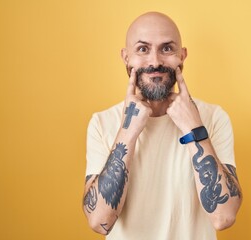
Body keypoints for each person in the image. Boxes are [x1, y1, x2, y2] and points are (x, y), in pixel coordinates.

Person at [82, 12, 242, 240]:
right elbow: (99, 222)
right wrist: (128, 132)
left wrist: (193, 128)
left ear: (182, 56)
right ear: (126, 57)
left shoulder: (214, 118)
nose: (155, 61)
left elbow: (223, 217)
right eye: (142, 49)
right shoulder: (102, 123)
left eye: (167, 48)